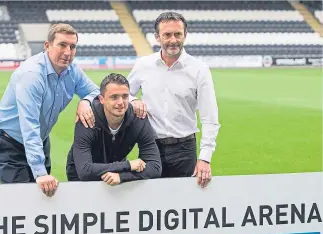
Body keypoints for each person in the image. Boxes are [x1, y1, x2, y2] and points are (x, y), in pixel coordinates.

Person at [0, 23, 100, 197]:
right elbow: (29, 126)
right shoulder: (32, 75)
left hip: (40, 139)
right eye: (62, 45)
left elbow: (97, 93)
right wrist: (40, 173)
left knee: (42, 198)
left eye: (72, 46)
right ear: (47, 46)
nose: (68, 52)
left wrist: (85, 101)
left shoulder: (72, 70)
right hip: (9, 141)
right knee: (22, 200)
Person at [127, 12, 220, 188]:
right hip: (150, 147)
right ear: (157, 37)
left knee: (184, 207)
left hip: (185, 150)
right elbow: (124, 94)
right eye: (167, 34)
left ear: (185, 35)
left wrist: (205, 158)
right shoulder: (143, 65)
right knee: (149, 203)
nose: (173, 40)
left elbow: (210, 118)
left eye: (178, 34)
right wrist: (133, 101)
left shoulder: (199, 70)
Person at [66, 73, 162, 185]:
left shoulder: (138, 118)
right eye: (114, 97)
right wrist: (127, 165)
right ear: (101, 99)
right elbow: (85, 171)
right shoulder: (87, 118)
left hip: (117, 175)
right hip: (81, 178)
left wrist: (122, 176)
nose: (120, 102)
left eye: (125, 96)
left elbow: (155, 167)